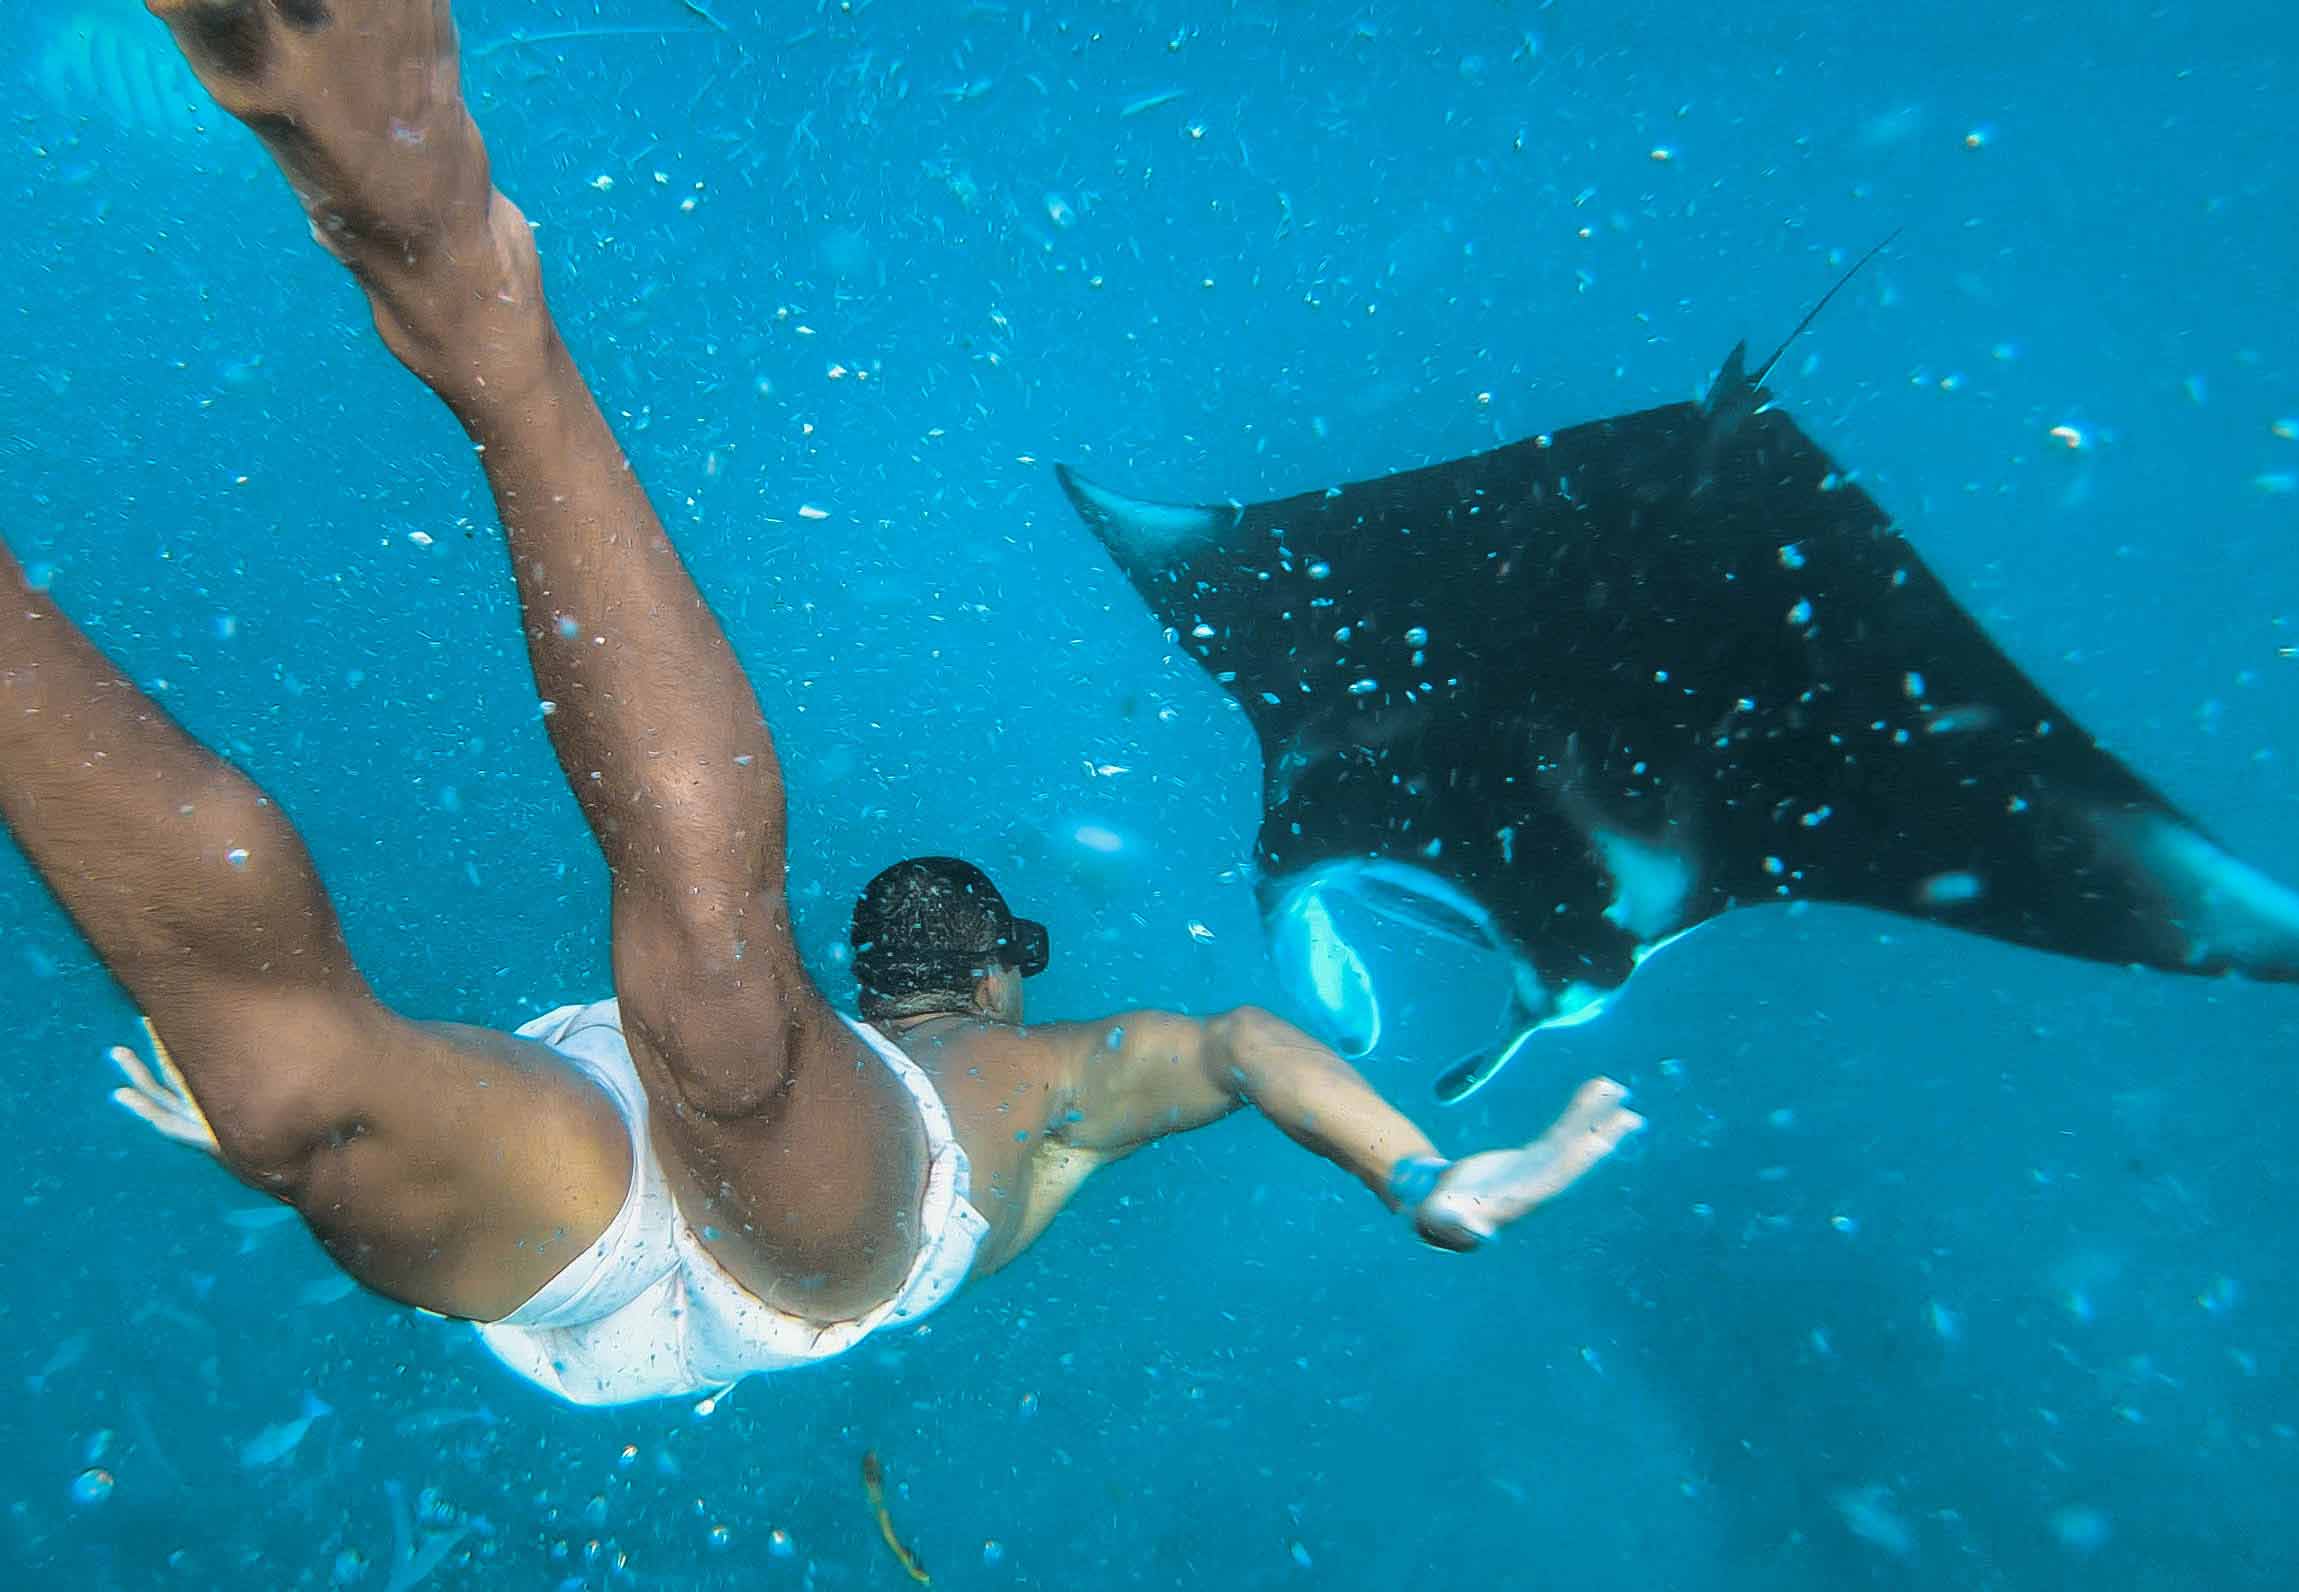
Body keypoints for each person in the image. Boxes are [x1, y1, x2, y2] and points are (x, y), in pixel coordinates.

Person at [11, 0, 1641, 1408]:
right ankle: (477, 321)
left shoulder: (1013, 1070)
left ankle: (481, 327)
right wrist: (1416, 1169)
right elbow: (1247, 1046)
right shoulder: (1036, 1076)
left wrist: (1412, 1166)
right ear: (996, 972)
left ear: (908, 974)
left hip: (613, 1175)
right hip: (752, 1225)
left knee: (368, 1078)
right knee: (498, 1058)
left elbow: (1241, 1047)